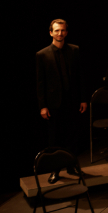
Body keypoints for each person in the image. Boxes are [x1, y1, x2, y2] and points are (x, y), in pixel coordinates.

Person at [35, 19, 86, 182]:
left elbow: (80, 77)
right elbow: (40, 82)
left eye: (63, 30)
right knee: (55, 138)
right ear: (51, 33)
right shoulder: (42, 54)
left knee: (72, 135)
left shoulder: (74, 50)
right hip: (53, 103)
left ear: (66, 32)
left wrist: (83, 99)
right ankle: (55, 170)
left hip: (72, 100)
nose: (60, 33)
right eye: (57, 30)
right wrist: (43, 106)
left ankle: (71, 166)